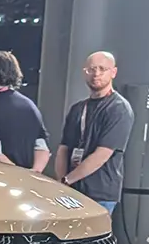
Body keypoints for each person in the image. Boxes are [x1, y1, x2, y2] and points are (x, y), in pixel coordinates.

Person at [53, 51, 134, 214]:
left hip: (100, 193)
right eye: (91, 69)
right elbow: (64, 149)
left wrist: (68, 179)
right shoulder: (77, 109)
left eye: (102, 69)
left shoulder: (118, 108)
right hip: (70, 190)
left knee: (91, 237)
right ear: (85, 72)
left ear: (113, 72)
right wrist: (61, 182)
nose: (96, 74)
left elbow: (103, 154)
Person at [0, 50, 50, 171]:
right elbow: (42, 146)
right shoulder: (30, 106)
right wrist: (33, 173)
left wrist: (18, 175)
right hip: (27, 184)